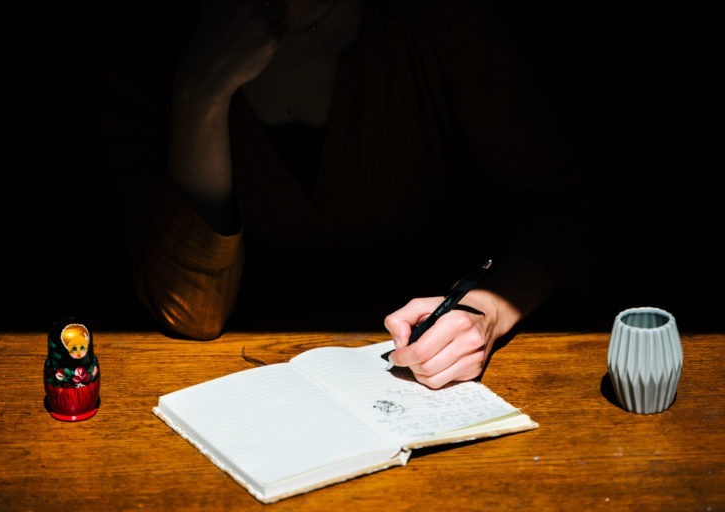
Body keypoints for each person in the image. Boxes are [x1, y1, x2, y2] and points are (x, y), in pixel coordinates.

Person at [84, 0, 603, 389]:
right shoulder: (147, 40)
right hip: (230, 377)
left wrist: (487, 310)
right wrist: (201, 96)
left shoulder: (440, 23)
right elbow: (191, 313)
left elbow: (571, 209)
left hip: (425, 371)